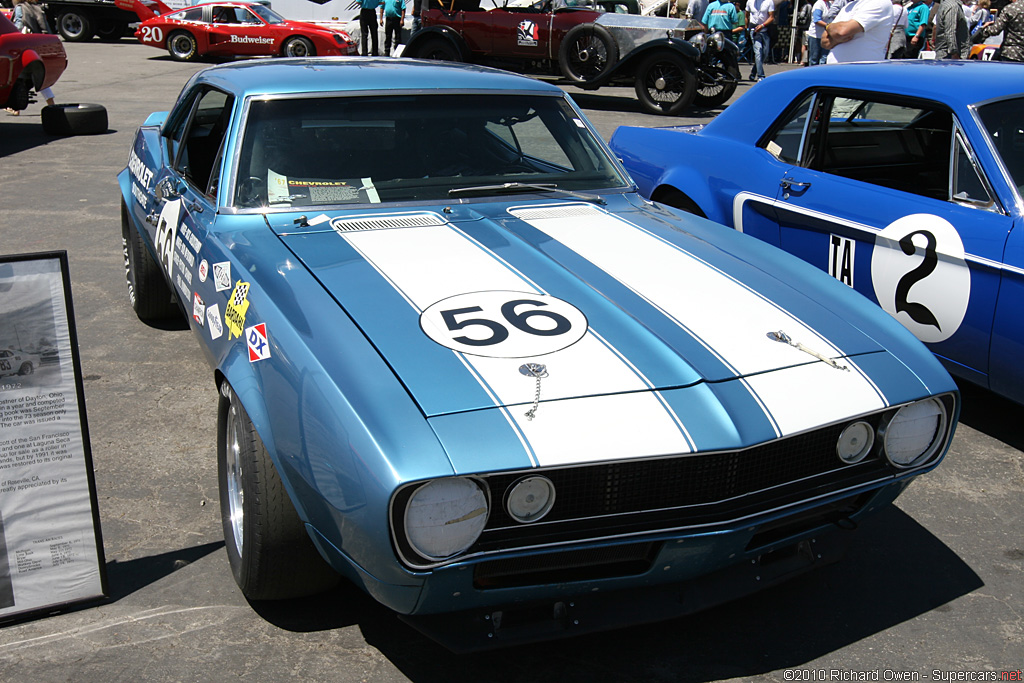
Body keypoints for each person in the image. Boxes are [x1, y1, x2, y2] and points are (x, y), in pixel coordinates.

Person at [821, 0, 894, 61]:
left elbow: (842, 31)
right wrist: (830, 28)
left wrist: (835, 33)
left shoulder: (880, 2)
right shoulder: (848, 7)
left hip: (860, 71)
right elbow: (824, 42)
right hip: (836, 71)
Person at [746, 0, 775, 79]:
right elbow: (746, 15)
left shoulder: (769, 2)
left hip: (765, 30)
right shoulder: (750, 1)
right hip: (754, 30)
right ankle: (761, 76)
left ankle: (753, 72)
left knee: (764, 54)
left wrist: (762, 25)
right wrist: (746, 28)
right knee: (758, 52)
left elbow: (771, 17)